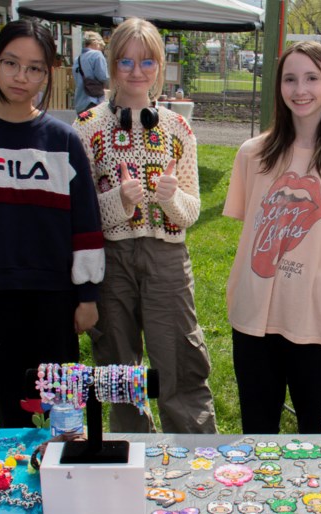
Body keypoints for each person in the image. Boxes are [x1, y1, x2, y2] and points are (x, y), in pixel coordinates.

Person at [0, 19, 105, 428]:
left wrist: (87, 295)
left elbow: (85, 224)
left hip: (56, 300)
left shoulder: (64, 141)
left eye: (34, 68)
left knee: (64, 412)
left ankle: (67, 483)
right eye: (11, 63)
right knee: (12, 415)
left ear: (48, 74)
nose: (21, 77)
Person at [73, 17, 217, 434]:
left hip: (166, 256)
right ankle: (131, 453)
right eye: (126, 62)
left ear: (160, 67)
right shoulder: (86, 128)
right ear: (111, 64)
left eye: (148, 62)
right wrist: (117, 202)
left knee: (179, 355)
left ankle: (193, 454)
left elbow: (190, 213)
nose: (137, 72)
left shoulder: (178, 129)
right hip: (111, 258)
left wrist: (170, 197)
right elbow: (80, 217)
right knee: (117, 362)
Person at [223, 41, 321, 435]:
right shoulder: (252, 154)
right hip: (254, 316)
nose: (300, 89)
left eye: (311, 78)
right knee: (257, 431)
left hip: (319, 319)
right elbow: (251, 230)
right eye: (290, 79)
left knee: (318, 436)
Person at [73, 31, 109, 114]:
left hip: (80, 102)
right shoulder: (97, 55)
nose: (100, 48)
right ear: (96, 43)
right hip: (93, 100)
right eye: (100, 46)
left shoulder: (77, 59)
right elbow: (102, 76)